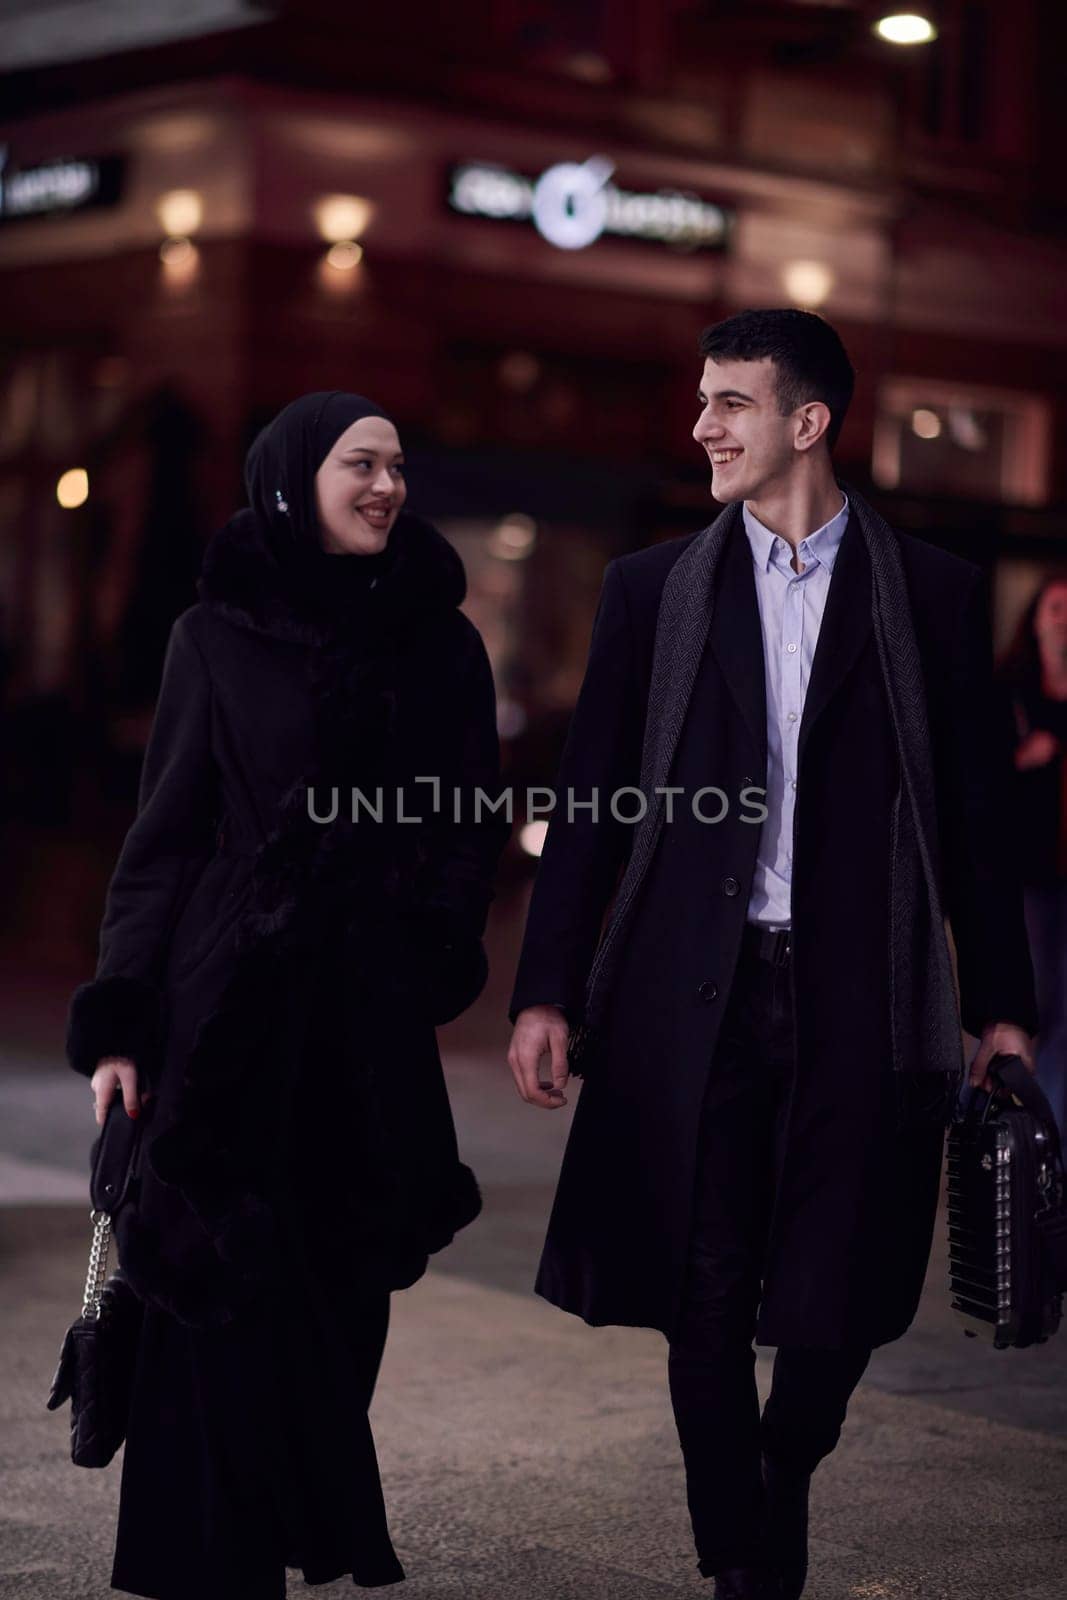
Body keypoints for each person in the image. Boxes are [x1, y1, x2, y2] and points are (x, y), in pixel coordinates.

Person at [507, 311, 1037, 1600]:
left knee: (838, 1296)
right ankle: (739, 1558)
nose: (702, 427)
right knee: (700, 1280)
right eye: (700, 400)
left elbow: (974, 814)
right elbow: (593, 805)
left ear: (806, 423)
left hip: (863, 995)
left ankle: (783, 1458)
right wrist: (543, 990)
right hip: (691, 995)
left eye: (729, 404)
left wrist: (1001, 1008)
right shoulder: (650, 592)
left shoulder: (929, 594)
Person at [64, 391, 510, 1600]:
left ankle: (284, 1518)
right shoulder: (213, 634)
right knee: (214, 1297)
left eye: (399, 466)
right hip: (221, 1021)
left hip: (363, 1026)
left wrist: (430, 945)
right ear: (293, 476)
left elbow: (470, 820)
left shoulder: (439, 639)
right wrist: (122, 1012)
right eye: (362, 463)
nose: (387, 485)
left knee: (338, 1304)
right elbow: (165, 838)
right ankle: (217, 1565)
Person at [998, 576, 1067, 1135]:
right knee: (1029, 1004)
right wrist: (1023, 759)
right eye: (1056, 607)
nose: (1065, 618)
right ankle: (1006, 1128)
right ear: (1036, 618)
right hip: (1030, 877)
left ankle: (1055, 1137)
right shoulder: (1012, 691)